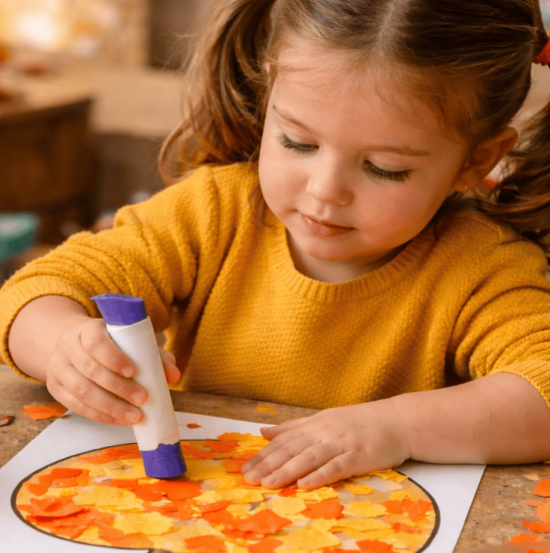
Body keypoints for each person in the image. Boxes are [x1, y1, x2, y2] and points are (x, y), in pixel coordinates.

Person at [3, 0, 550, 490]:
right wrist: (66, 348)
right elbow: (36, 291)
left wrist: (393, 427)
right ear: (269, 96)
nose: (324, 191)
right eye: (298, 141)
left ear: (477, 159)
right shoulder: (212, 214)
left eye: (385, 169)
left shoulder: (483, 267)